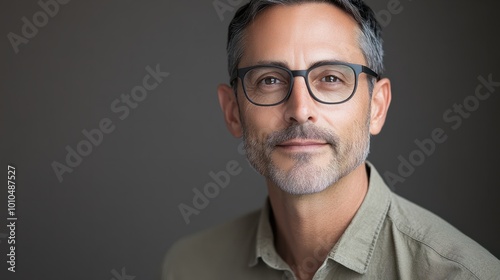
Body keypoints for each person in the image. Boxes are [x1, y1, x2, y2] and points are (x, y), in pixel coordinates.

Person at [162, 0, 500, 279]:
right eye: (269, 80)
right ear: (233, 111)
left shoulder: (462, 275)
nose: (300, 109)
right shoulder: (189, 267)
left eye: (331, 78)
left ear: (377, 107)